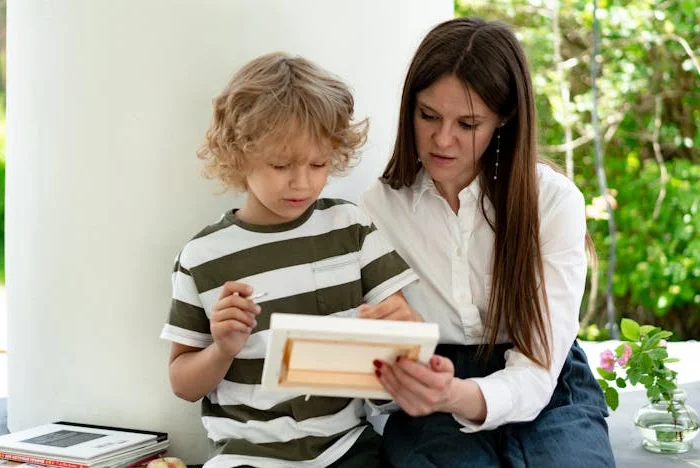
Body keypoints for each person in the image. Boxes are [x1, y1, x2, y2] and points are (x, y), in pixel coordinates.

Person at [359, 18, 616, 467]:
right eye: (429, 115)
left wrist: (461, 393)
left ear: (504, 118)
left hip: (547, 378)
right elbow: (373, 382)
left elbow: (537, 372)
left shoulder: (552, 202)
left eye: (468, 123)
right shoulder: (378, 208)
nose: (443, 139)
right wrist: (395, 357)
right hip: (435, 384)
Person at [160, 51, 419, 468]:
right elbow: (183, 384)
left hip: (346, 446)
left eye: (318, 164)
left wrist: (394, 335)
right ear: (239, 154)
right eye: (281, 165)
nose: (302, 182)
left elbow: (403, 334)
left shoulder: (350, 227)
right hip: (247, 453)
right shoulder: (203, 257)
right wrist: (223, 349)